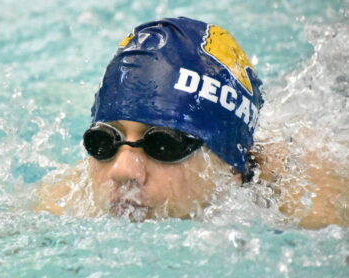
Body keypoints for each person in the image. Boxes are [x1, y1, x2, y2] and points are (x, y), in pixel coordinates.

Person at [35, 17, 348, 229]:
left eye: (163, 144)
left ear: (231, 168)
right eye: (104, 141)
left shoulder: (319, 210)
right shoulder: (66, 200)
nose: (122, 171)